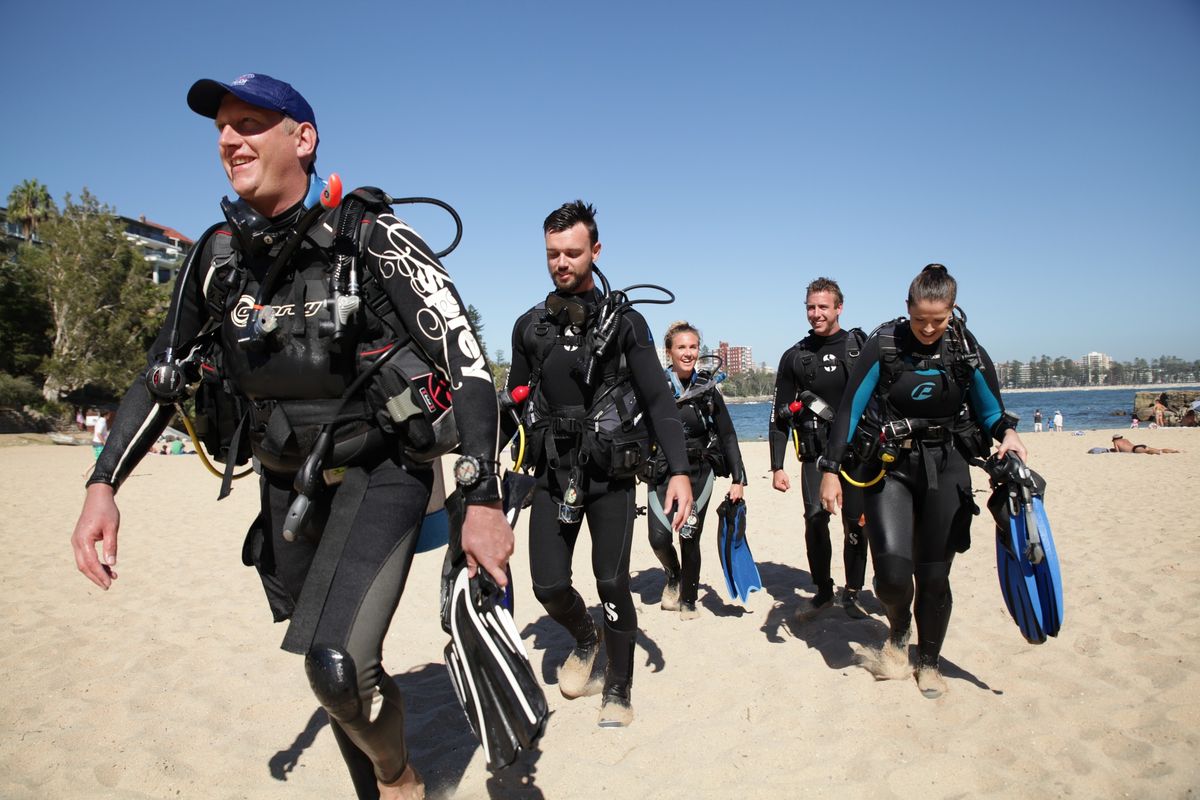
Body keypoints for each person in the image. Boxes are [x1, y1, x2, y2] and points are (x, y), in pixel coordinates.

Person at [69, 72, 511, 800]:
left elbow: (468, 366)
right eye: (221, 128)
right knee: (329, 667)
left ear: (302, 140)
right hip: (287, 489)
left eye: (249, 123)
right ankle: (379, 780)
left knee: (337, 665)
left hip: (381, 472)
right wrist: (102, 484)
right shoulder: (215, 258)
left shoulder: (374, 239)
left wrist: (485, 497)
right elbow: (162, 375)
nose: (227, 139)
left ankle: (399, 780)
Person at [504, 200, 692, 727]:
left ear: (596, 251)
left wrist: (678, 470)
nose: (561, 263)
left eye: (572, 252)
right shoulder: (529, 327)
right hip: (552, 472)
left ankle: (619, 688)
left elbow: (658, 400)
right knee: (546, 586)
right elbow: (517, 400)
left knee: (611, 582)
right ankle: (586, 637)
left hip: (609, 473)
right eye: (552, 254)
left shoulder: (627, 324)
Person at [819, 264, 1027, 699]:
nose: (929, 328)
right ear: (907, 308)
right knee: (893, 577)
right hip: (890, 467)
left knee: (934, 578)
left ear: (952, 312)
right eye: (921, 319)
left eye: (939, 319)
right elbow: (850, 410)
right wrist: (831, 470)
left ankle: (928, 662)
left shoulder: (965, 349)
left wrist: (1008, 433)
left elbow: (991, 412)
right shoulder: (886, 343)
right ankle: (898, 630)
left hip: (947, 466)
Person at [768, 278, 869, 620]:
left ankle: (852, 592)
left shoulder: (860, 347)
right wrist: (777, 465)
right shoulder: (795, 356)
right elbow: (778, 416)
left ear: (839, 307)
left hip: (857, 453)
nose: (816, 314)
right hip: (815, 451)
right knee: (815, 520)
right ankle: (824, 589)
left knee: (856, 524)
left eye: (823, 307)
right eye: (811, 307)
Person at [646, 321, 747, 620]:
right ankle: (673, 575)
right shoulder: (654, 389)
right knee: (658, 539)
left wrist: (739, 479)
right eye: (681, 347)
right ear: (669, 352)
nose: (688, 353)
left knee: (689, 535)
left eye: (693, 347)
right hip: (663, 472)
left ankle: (689, 598)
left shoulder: (707, 390)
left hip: (699, 472)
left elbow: (727, 434)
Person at [1109, 434, 1180, 455]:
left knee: (1147, 452)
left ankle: (1158, 453)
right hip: (1139, 446)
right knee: (1159, 449)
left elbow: (1118, 451)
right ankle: (1173, 451)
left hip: (1135, 449)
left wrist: (1113, 450)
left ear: (1114, 439)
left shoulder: (1116, 442)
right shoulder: (1125, 439)